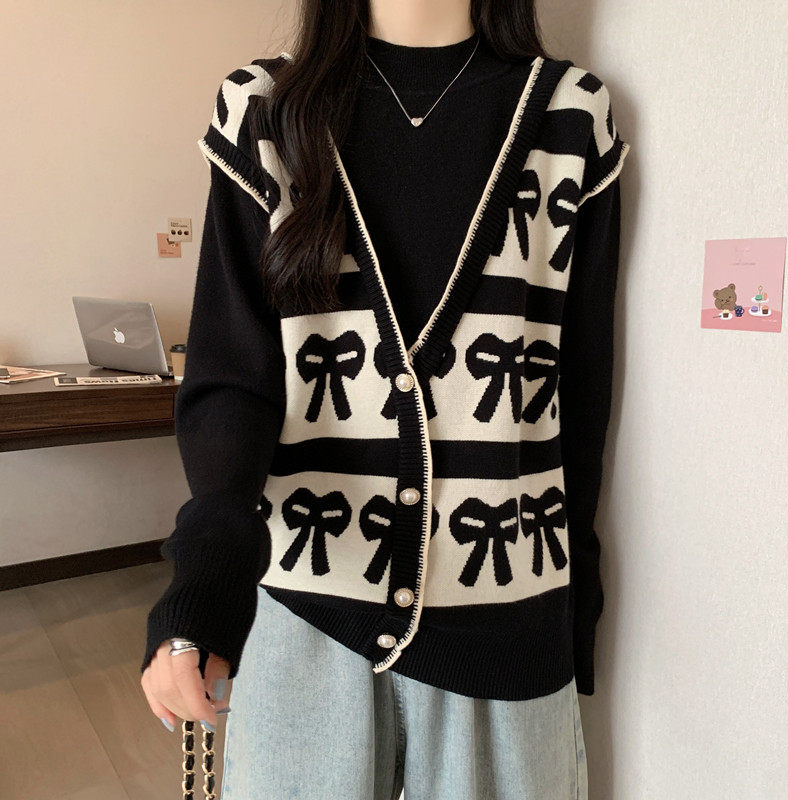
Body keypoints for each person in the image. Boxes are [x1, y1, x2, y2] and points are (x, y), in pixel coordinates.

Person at [140, 1, 630, 797]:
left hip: (505, 609)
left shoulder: (571, 117)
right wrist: (206, 587)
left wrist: (573, 615)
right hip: (308, 609)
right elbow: (234, 380)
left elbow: (579, 391)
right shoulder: (264, 112)